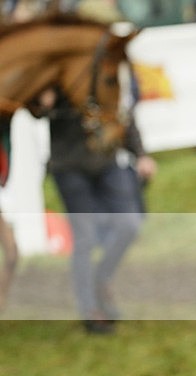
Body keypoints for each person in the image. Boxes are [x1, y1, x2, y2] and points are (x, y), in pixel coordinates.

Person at [38, 87, 157, 334]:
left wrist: (141, 154)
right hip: (69, 165)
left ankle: (100, 279)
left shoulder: (106, 67)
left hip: (106, 160)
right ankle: (90, 310)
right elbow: (34, 105)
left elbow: (122, 111)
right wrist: (42, 101)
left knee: (130, 225)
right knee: (85, 237)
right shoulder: (58, 68)